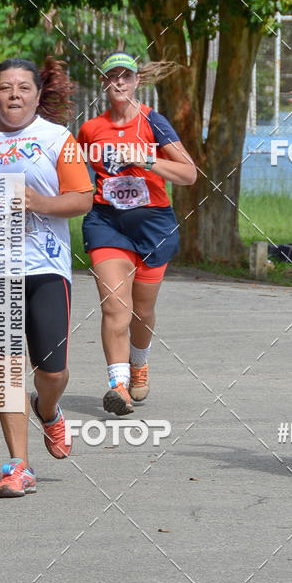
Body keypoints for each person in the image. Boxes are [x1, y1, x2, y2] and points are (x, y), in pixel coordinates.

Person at [0, 58, 93, 497]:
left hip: (45, 264)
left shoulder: (57, 138)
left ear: (36, 94)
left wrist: (39, 203)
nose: (15, 94)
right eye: (6, 86)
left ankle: (47, 410)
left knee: (53, 371)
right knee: (6, 366)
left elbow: (82, 197)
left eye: (24, 88)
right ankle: (18, 465)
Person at [77, 52, 197, 416]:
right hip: (107, 224)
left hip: (152, 226)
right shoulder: (89, 129)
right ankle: (117, 385)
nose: (119, 84)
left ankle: (138, 361)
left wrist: (143, 159)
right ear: (104, 83)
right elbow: (76, 179)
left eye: (125, 77)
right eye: (112, 77)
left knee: (141, 311)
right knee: (116, 306)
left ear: (136, 82)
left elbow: (189, 174)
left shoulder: (153, 123)